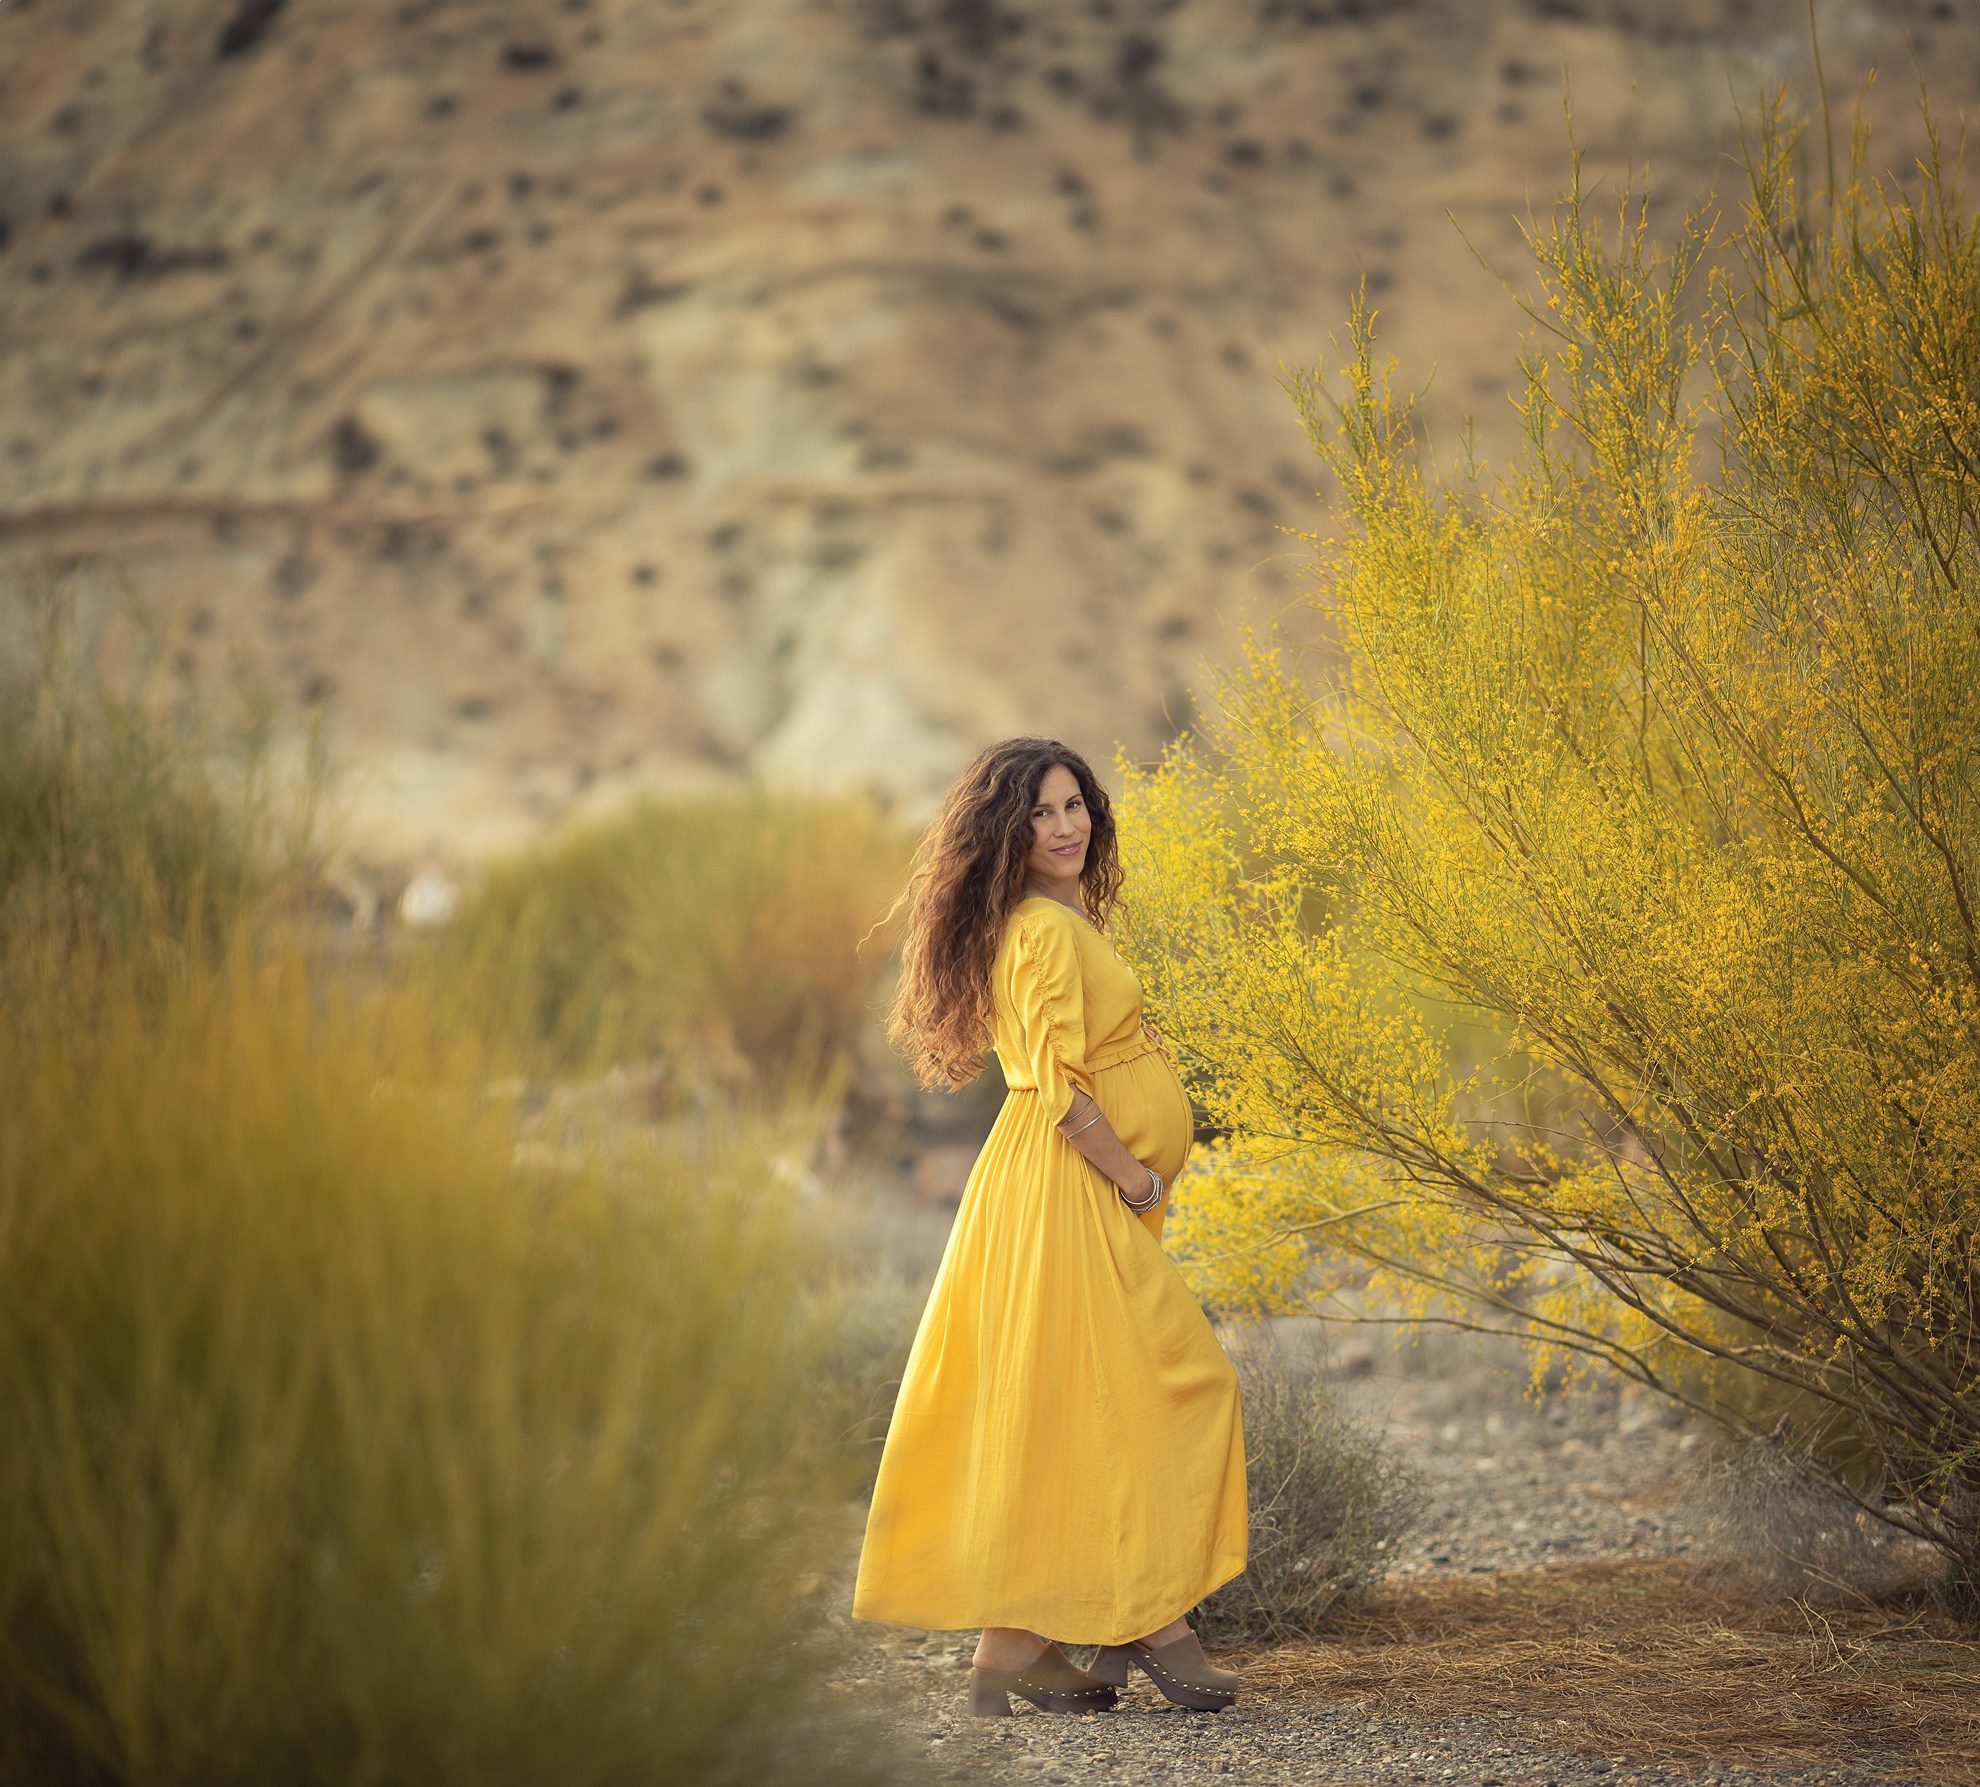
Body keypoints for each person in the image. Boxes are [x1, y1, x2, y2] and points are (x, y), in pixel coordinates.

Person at [853, 737, 1247, 1717]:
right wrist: (1137, 1180)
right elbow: (1055, 1089)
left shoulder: (1057, 919)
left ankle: (1013, 1654)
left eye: (1074, 804)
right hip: (1071, 1186)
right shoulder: (1039, 931)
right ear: (1006, 831)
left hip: (1064, 1188)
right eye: (1041, 811)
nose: (1064, 825)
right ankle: (1154, 1623)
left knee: (1075, 1396)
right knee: (1180, 1386)